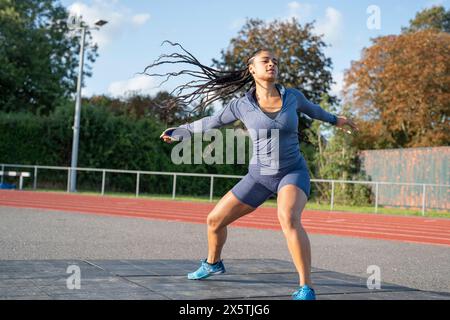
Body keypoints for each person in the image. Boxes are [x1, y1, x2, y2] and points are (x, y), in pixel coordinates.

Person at [156, 43, 359, 300]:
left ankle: (305, 287)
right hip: (259, 177)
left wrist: (336, 120)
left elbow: (314, 111)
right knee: (214, 221)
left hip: (292, 172)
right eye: (266, 60)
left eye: (275, 60)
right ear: (252, 69)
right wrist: (181, 131)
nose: (272, 64)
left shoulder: (292, 97)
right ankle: (213, 263)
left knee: (288, 218)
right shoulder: (241, 105)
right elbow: (211, 122)